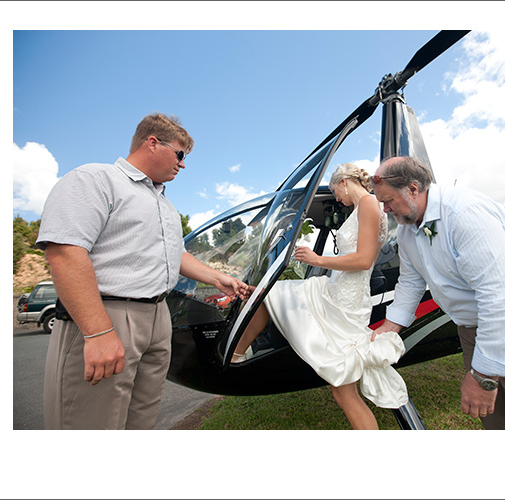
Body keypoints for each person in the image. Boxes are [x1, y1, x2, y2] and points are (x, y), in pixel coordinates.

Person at [37, 112, 251, 430]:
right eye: (180, 154)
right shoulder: (95, 179)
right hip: (109, 314)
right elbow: (65, 252)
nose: (182, 164)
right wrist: (98, 332)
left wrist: (216, 278)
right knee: (91, 422)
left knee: (141, 421)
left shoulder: (165, 205)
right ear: (152, 143)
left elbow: (174, 254)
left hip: (157, 317)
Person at [371, 156, 505, 430]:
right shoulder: (408, 230)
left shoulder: (464, 213)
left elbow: (500, 296)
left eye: (388, 200)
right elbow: (411, 281)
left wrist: (483, 377)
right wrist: (390, 326)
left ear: (413, 189)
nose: (384, 209)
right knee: (493, 416)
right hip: (473, 323)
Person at [232, 163, 408, 429]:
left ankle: (235, 356)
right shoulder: (364, 209)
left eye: (336, 191)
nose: (337, 198)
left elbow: (363, 261)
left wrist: (318, 259)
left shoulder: (369, 204)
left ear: (345, 182)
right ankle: (236, 354)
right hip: (335, 291)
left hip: (346, 302)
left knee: (343, 391)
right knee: (273, 293)